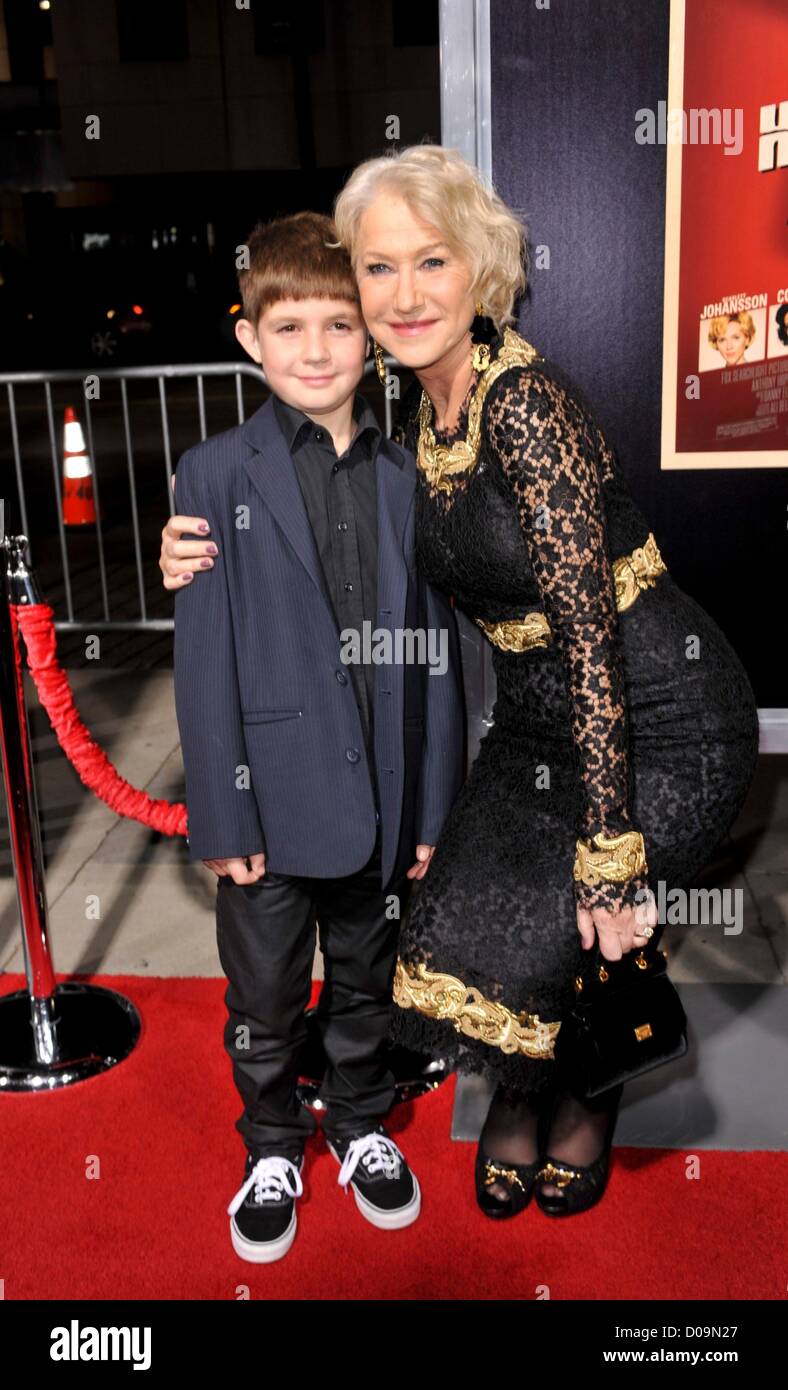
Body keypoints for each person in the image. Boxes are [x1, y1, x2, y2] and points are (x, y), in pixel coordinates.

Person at [162, 146, 760, 1224]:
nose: (400, 295)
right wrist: (190, 553)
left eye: (427, 262)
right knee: (443, 933)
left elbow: (585, 630)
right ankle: (511, 1089)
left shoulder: (522, 405)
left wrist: (608, 853)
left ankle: (582, 1094)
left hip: (656, 711)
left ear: (478, 270)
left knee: (577, 916)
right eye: (376, 269)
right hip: (539, 719)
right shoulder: (417, 429)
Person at [170, 210, 465, 1262]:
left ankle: (357, 1119)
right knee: (260, 995)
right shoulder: (212, 474)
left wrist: (428, 807)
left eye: (337, 326)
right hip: (266, 796)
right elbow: (203, 659)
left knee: (365, 977)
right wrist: (218, 808)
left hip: (383, 798)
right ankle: (270, 1141)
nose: (313, 349)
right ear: (249, 338)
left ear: (370, 337)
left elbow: (431, 648)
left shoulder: (406, 475)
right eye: (286, 326)